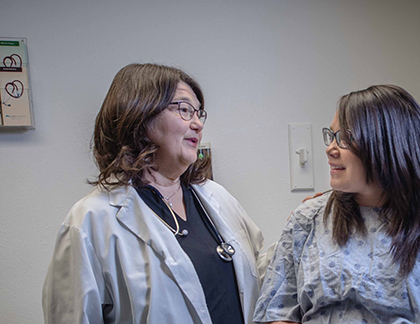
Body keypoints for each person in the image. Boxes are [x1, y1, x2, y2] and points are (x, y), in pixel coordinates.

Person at [253, 85, 420, 324]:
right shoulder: (308, 219)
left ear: (388, 145)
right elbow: (277, 312)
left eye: (345, 138)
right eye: (331, 136)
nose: (330, 148)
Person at [42, 63, 272, 324]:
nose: (197, 124)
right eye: (184, 110)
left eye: (199, 113)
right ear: (140, 116)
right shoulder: (91, 221)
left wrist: (304, 230)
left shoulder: (215, 196)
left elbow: (260, 271)